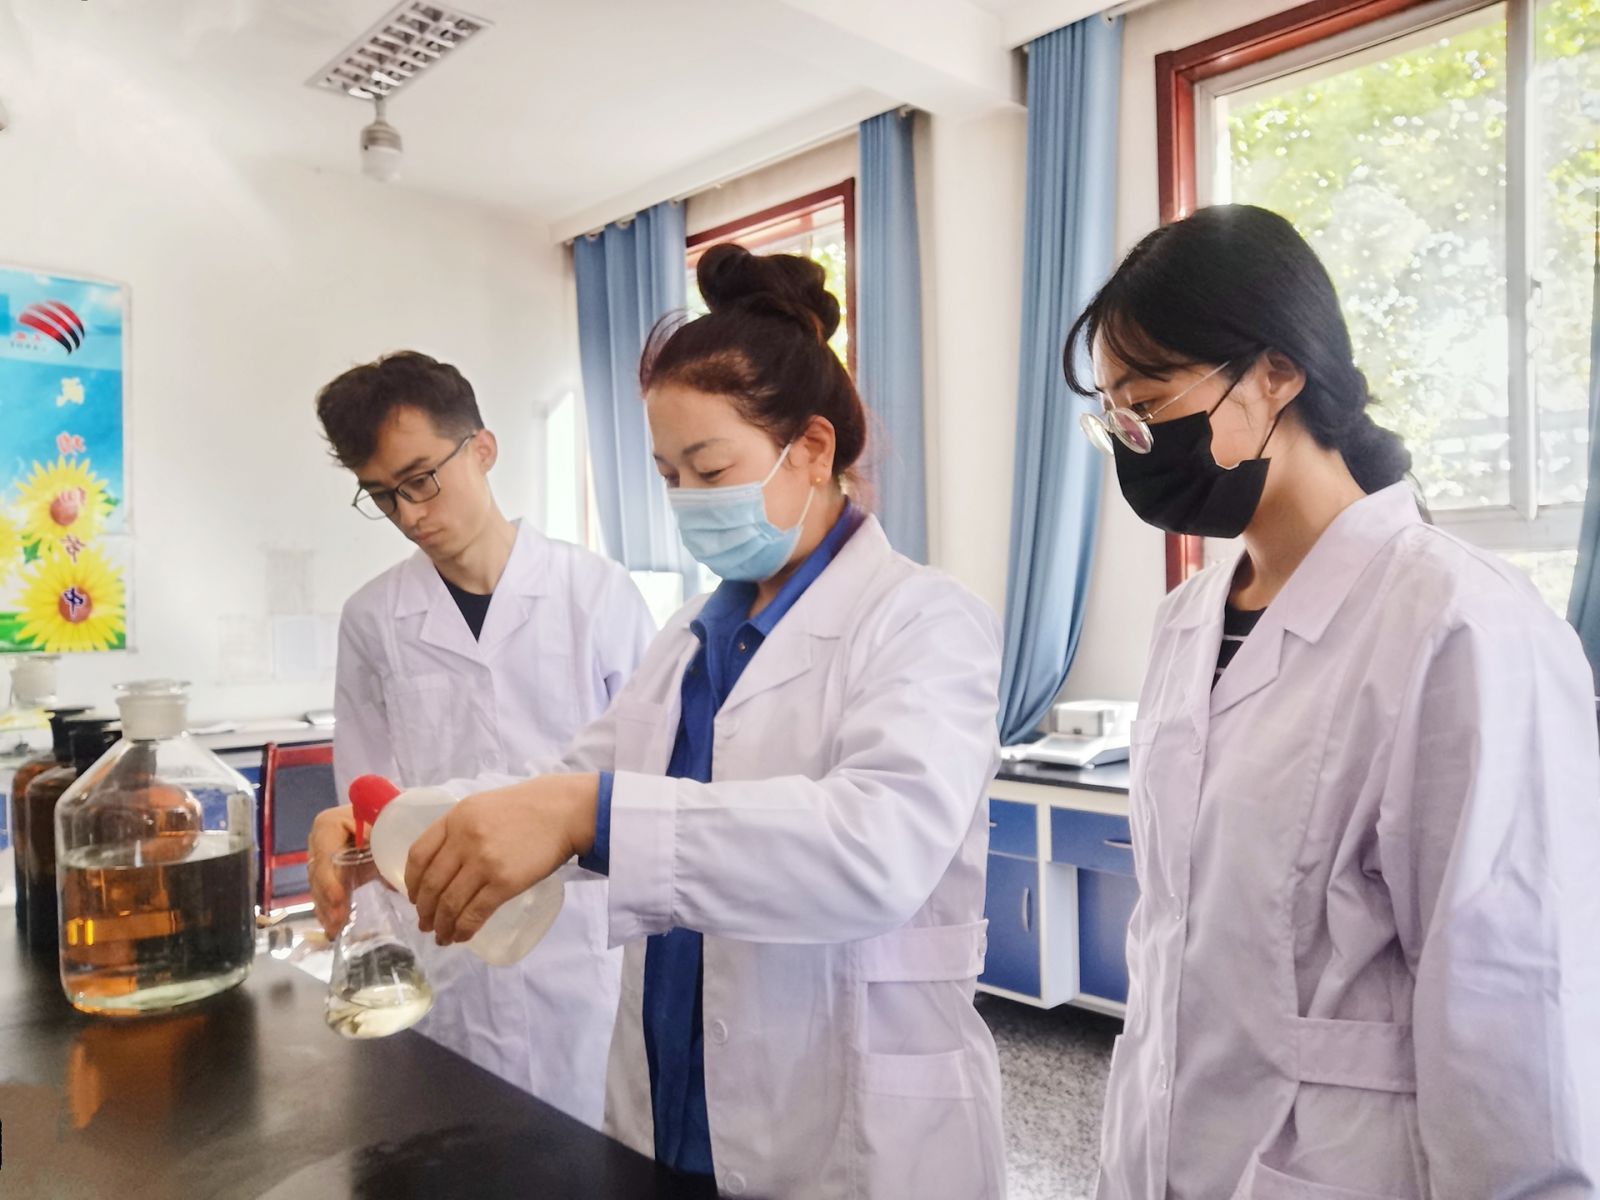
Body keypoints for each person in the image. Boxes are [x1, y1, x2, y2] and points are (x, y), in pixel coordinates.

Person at [374, 247, 1008, 1199]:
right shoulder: (690, 638)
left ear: (813, 450)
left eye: (710, 468)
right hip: (673, 1096)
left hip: (849, 1123)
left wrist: (593, 813)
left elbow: (877, 848)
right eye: (669, 474)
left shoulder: (922, 618)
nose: (686, 501)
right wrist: (403, 822)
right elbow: (561, 780)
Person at [1066, 204, 1600, 1198]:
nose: (1137, 442)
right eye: (1116, 419)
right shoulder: (1187, 621)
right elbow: (1173, 941)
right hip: (1166, 1149)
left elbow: (1511, 1006)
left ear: (1276, 372)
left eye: (1148, 401)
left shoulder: (1462, 625)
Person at [311, 351, 655, 1126]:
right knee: (463, 1148)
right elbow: (368, 805)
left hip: (586, 954)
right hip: (450, 959)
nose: (408, 515)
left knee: (598, 1155)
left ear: (484, 449)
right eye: (381, 495)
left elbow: (650, 783)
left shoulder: (596, 595)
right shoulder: (373, 621)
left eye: (420, 479)